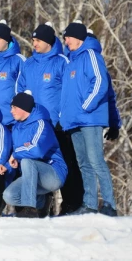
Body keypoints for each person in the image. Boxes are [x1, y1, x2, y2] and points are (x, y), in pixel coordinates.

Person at [15, 21, 82, 214]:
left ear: (48, 41)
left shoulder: (62, 62)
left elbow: (71, 92)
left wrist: (63, 118)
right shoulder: (28, 63)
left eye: (37, 40)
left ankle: (71, 205)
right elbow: (19, 91)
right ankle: (40, 205)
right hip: (34, 125)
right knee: (36, 163)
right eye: (33, 40)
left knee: (66, 164)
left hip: (57, 125)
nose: (34, 43)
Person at [60, 21, 118, 216]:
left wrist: (86, 106)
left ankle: (110, 204)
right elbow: (67, 94)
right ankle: (90, 204)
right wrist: (64, 115)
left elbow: (100, 82)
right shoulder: (71, 61)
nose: (65, 41)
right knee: (83, 163)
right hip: (74, 121)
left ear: (77, 37)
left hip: (90, 119)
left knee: (96, 161)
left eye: (67, 37)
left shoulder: (91, 55)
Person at [0, 91, 67, 218]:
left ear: (24, 108)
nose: (11, 111)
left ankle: (30, 208)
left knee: (26, 161)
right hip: (32, 175)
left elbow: (37, 151)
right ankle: (42, 202)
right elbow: (17, 156)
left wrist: (16, 154)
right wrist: (7, 166)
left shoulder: (41, 124)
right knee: (9, 195)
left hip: (54, 173)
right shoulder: (17, 128)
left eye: (14, 107)